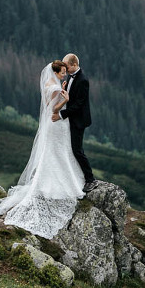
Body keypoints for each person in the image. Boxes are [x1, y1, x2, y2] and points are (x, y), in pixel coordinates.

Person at [0, 60, 85, 239]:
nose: (64, 74)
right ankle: (58, 183)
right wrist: (65, 100)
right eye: (63, 72)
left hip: (54, 126)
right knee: (58, 153)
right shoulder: (55, 87)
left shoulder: (51, 84)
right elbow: (53, 109)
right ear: (56, 72)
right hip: (57, 123)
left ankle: (51, 181)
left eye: (66, 71)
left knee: (54, 153)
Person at [52, 53, 96, 192]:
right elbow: (71, 97)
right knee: (71, 149)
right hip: (72, 119)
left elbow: (78, 104)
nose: (65, 68)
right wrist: (64, 89)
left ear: (74, 65)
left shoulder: (83, 80)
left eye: (67, 66)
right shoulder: (72, 78)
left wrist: (61, 114)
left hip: (79, 120)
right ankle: (77, 177)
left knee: (77, 150)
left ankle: (90, 179)